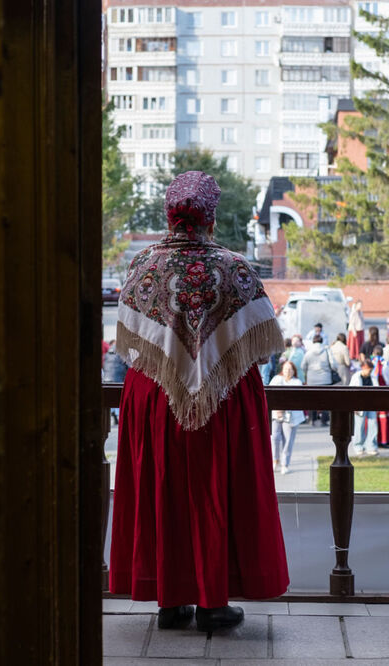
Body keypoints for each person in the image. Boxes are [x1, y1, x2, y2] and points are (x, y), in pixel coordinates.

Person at [109, 171, 289, 633]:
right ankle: (212, 601)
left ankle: (169, 602)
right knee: (214, 492)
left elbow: (128, 341)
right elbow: (267, 337)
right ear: (210, 216)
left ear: (169, 212)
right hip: (221, 403)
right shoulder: (234, 267)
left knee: (162, 489)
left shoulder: (143, 265)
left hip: (157, 401)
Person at [268, 361, 305, 474]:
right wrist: (278, 409)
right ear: (282, 370)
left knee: (288, 440)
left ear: (294, 371)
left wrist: (283, 408)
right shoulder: (276, 379)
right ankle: (275, 460)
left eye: (290, 369)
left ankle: (285, 463)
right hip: (277, 414)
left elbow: (294, 398)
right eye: (285, 369)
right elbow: (271, 394)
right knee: (274, 437)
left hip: (291, 416)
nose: (287, 371)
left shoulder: (297, 382)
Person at [302, 334, 335, 426]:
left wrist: (309, 372)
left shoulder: (308, 352)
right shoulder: (327, 351)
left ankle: (312, 419)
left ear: (313, 342)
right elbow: (333, 365)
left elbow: (303, 366)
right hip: (325, 379)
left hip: (312, 380)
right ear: (321, 341)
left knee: (312, 400)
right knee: (325, 400)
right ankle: (324, 420)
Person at [349, 361, 378, 456]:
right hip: (360, 405)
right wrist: (354, 406)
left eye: (371, 371)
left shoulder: (373, 377)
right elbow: (351, 392)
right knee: (359, 426)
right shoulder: (356, 377)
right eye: (369, 371)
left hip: (371, 404)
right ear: (363, 368)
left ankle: (371, 446)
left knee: (373, 425)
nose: (370, 373)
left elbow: (377, 390)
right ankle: (358, 446)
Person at [102, 341, 129, 425]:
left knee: (111, 395)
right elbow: (127, 367)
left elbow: (104, 365)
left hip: (107, 378)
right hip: (118, 378)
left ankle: (112, 412)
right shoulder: (122, 354)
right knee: (120, 394)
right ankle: (117, 414)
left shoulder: (107, 354)